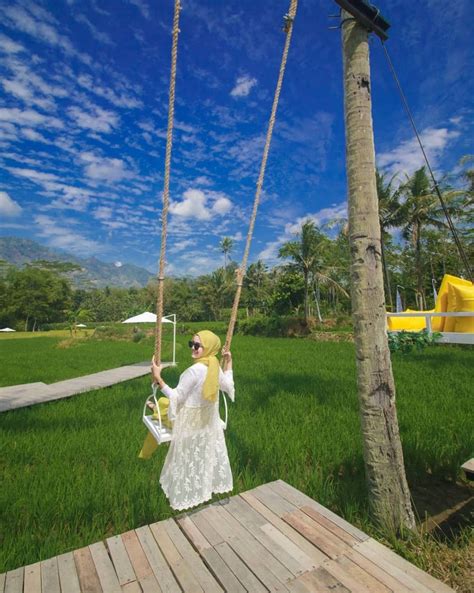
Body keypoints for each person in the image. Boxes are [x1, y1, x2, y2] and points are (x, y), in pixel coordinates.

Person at [145, 330, 234, 511]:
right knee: (165, 404)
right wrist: (229, 362)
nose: (193, 348)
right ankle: (156, 407)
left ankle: (155, 408)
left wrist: (158, 378)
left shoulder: (194, 371)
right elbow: (228, 387)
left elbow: (176, 397)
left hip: (186, 423)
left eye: (197, 346)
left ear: (208, 348)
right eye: (191, 344)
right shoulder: (215, 366)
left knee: (166, 403)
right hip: (207, 422)